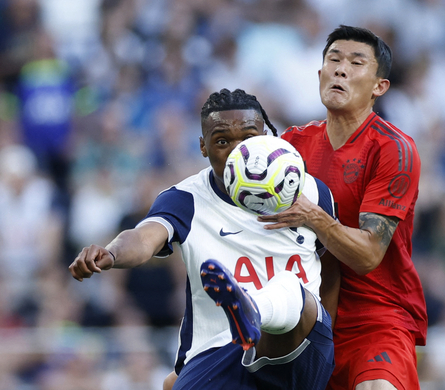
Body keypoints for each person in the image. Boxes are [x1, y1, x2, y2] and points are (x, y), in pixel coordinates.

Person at [68, 88, 336, 390]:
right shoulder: (186, 199)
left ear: (267, 137)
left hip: (299, 351)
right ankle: (245, 316)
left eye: (248, 139)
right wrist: (112, 253)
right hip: (218, 352)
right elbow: (144, 238)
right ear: (203, 147)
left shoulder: (310, 191)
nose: (237, 153)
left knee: (293, 291)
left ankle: (253, 309)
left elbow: (333, 269)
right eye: (222, 141)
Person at [259, 25, 428, 390]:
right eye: (333, 60)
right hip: (301, 316)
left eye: (355, 62)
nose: (340, 69)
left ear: (379, 86)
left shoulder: (393, 149)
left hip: (377, 317)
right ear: (319, 74)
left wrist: (315, 217)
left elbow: (368, 255)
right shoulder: (290, 146)